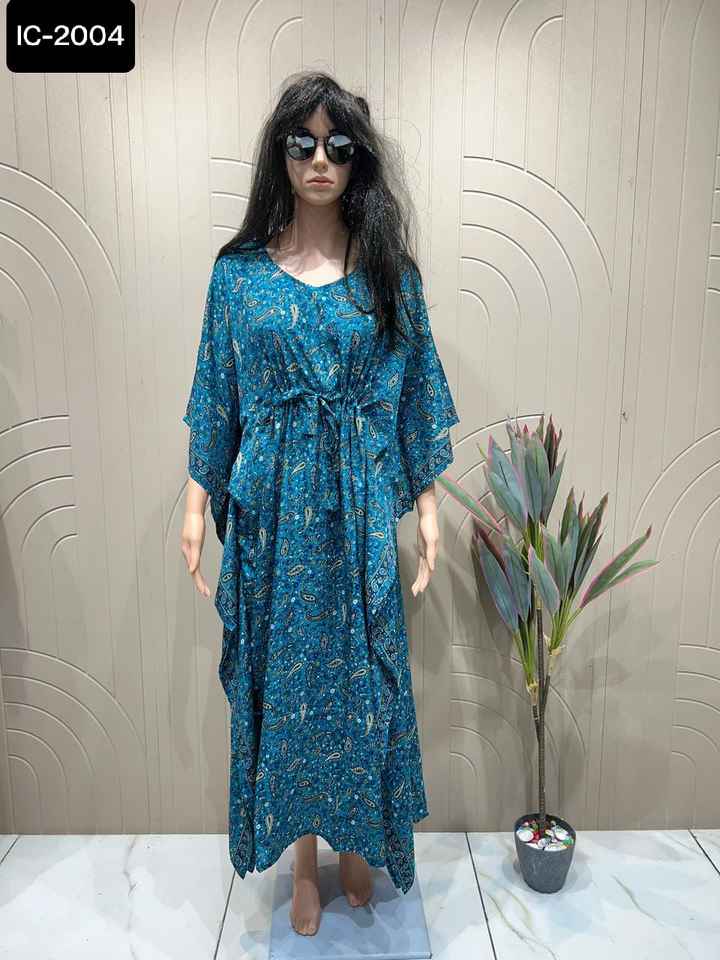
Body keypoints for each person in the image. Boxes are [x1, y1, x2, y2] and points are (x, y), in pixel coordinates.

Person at [180, 70, 460, 937]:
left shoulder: (389, 278)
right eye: (301, 143)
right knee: (289, 686)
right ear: (280, 153)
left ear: (358, 158)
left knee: (360, 683)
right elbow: (218, 397)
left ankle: (356, 842)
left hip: (356, 513)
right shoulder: (237, 278)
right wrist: (195, 501)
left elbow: (412, 401)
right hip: (271, 520)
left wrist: (427, 507)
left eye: (338, 145)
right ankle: (304, 859)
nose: (319, 160)